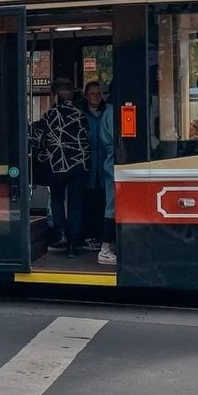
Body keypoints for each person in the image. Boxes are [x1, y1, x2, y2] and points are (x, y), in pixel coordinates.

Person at [30, 77, 90, 257]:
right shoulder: (81, 115)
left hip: (57, 166)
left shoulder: (50, 116)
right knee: (75, 204)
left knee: (56, 199)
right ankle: (73, 244)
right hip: (80, 165)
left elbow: (37, 139)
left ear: (55, 96)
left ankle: (61, 234)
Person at [81, 80, 116, 266]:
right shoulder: (84, 115)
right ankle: (92, 237)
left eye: (98, 93)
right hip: (91, 165)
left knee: (104, 201)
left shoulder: (105, 112)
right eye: (92, 94)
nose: (96, 97)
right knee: (93, 202)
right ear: (86, 96)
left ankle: (99, 237)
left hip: (103, 165)